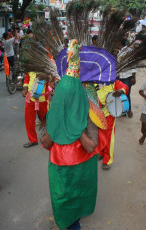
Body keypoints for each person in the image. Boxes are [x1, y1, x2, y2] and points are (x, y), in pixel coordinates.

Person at [40, 40, 99, 230]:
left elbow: (92, 145)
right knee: (61, 197)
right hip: (59, 166)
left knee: (77, 196)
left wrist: (77, 128)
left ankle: (74, 220)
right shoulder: (55, 113)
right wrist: (57, 124)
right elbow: (46, 142)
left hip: (81, 166)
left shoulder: (87, 107)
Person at [96, 80, 128, 169]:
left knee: (108, 137)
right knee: (99, 135)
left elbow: (125, 87)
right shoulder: (94, 81)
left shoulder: (113, 82)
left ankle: (107, 160)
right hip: (96, 115)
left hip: (109, 114)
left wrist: (120, 91)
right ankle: (101, 153)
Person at [22, 72, 52, 148]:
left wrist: (45, 76)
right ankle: (32, 140)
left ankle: (49, 138)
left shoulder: (46, 65)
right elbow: (27, 78)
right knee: (29, 120)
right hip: (30, 99)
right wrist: (25, 89)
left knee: (46, 120)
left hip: (43, 100)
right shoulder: (30, 65)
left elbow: (52, 78)